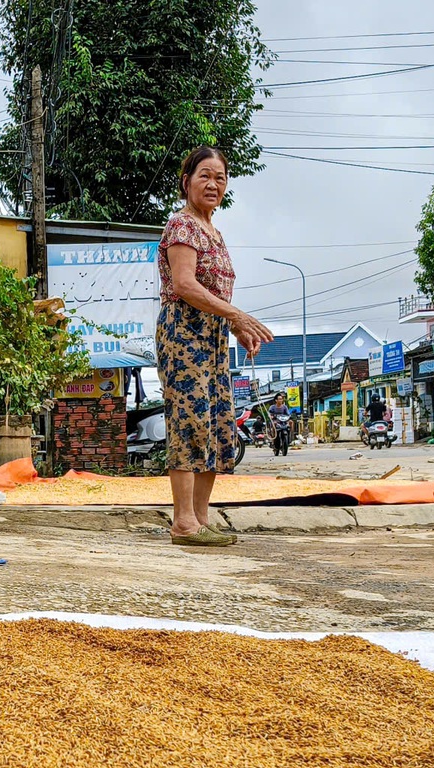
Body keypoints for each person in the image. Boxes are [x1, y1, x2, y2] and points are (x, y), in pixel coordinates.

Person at [157, 147, 273, 546]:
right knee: (189, 420)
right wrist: (238, 315)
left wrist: (236, 329)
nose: (213, 184)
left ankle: (201, 518)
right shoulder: (182, 226)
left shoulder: (215, 233)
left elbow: (215, 292)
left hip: (213, 337)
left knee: (217, 422)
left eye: (220, 178)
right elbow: (185, 285)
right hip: (183, 333)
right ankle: (183, 522)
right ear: (186, 180)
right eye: (204, 175)